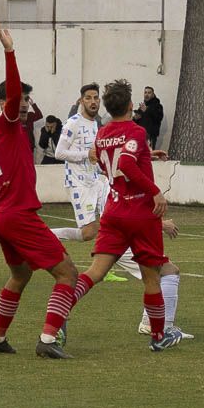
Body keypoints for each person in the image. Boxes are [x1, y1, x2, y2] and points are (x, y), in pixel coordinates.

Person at [0, 23, 78, 359]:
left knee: (21, 273)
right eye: (23, 99)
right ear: (4, 102)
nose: (27, 104)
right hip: (17, 216)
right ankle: (47, 340)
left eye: (29, 99)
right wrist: (10, 51)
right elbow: (14, 94)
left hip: (1, 217)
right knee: (67, 273)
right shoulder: (9, 121)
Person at [63, 79, 184, 352]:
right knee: (152, 277)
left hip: (114, 211)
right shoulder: (137, 131)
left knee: (95, 272)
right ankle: (158, 336)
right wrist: (155, 192)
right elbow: (126, 162)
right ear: (131, 105)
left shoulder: (102, 134)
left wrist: (147, 154)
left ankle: (59, 313)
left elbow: (111, 161)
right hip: (140, 214)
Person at [49, 83, 137, 283]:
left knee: (111, 222)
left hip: (97, 181)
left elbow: (96, 156)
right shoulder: (73, 123)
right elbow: (59, 152)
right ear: (81, 101)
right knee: (88, 232)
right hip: (79, 184)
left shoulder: (96, 124)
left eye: (96, 97)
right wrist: (85, 155)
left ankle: (108, 268)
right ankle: (44, 236)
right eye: (88, 98)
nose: (93, 101)